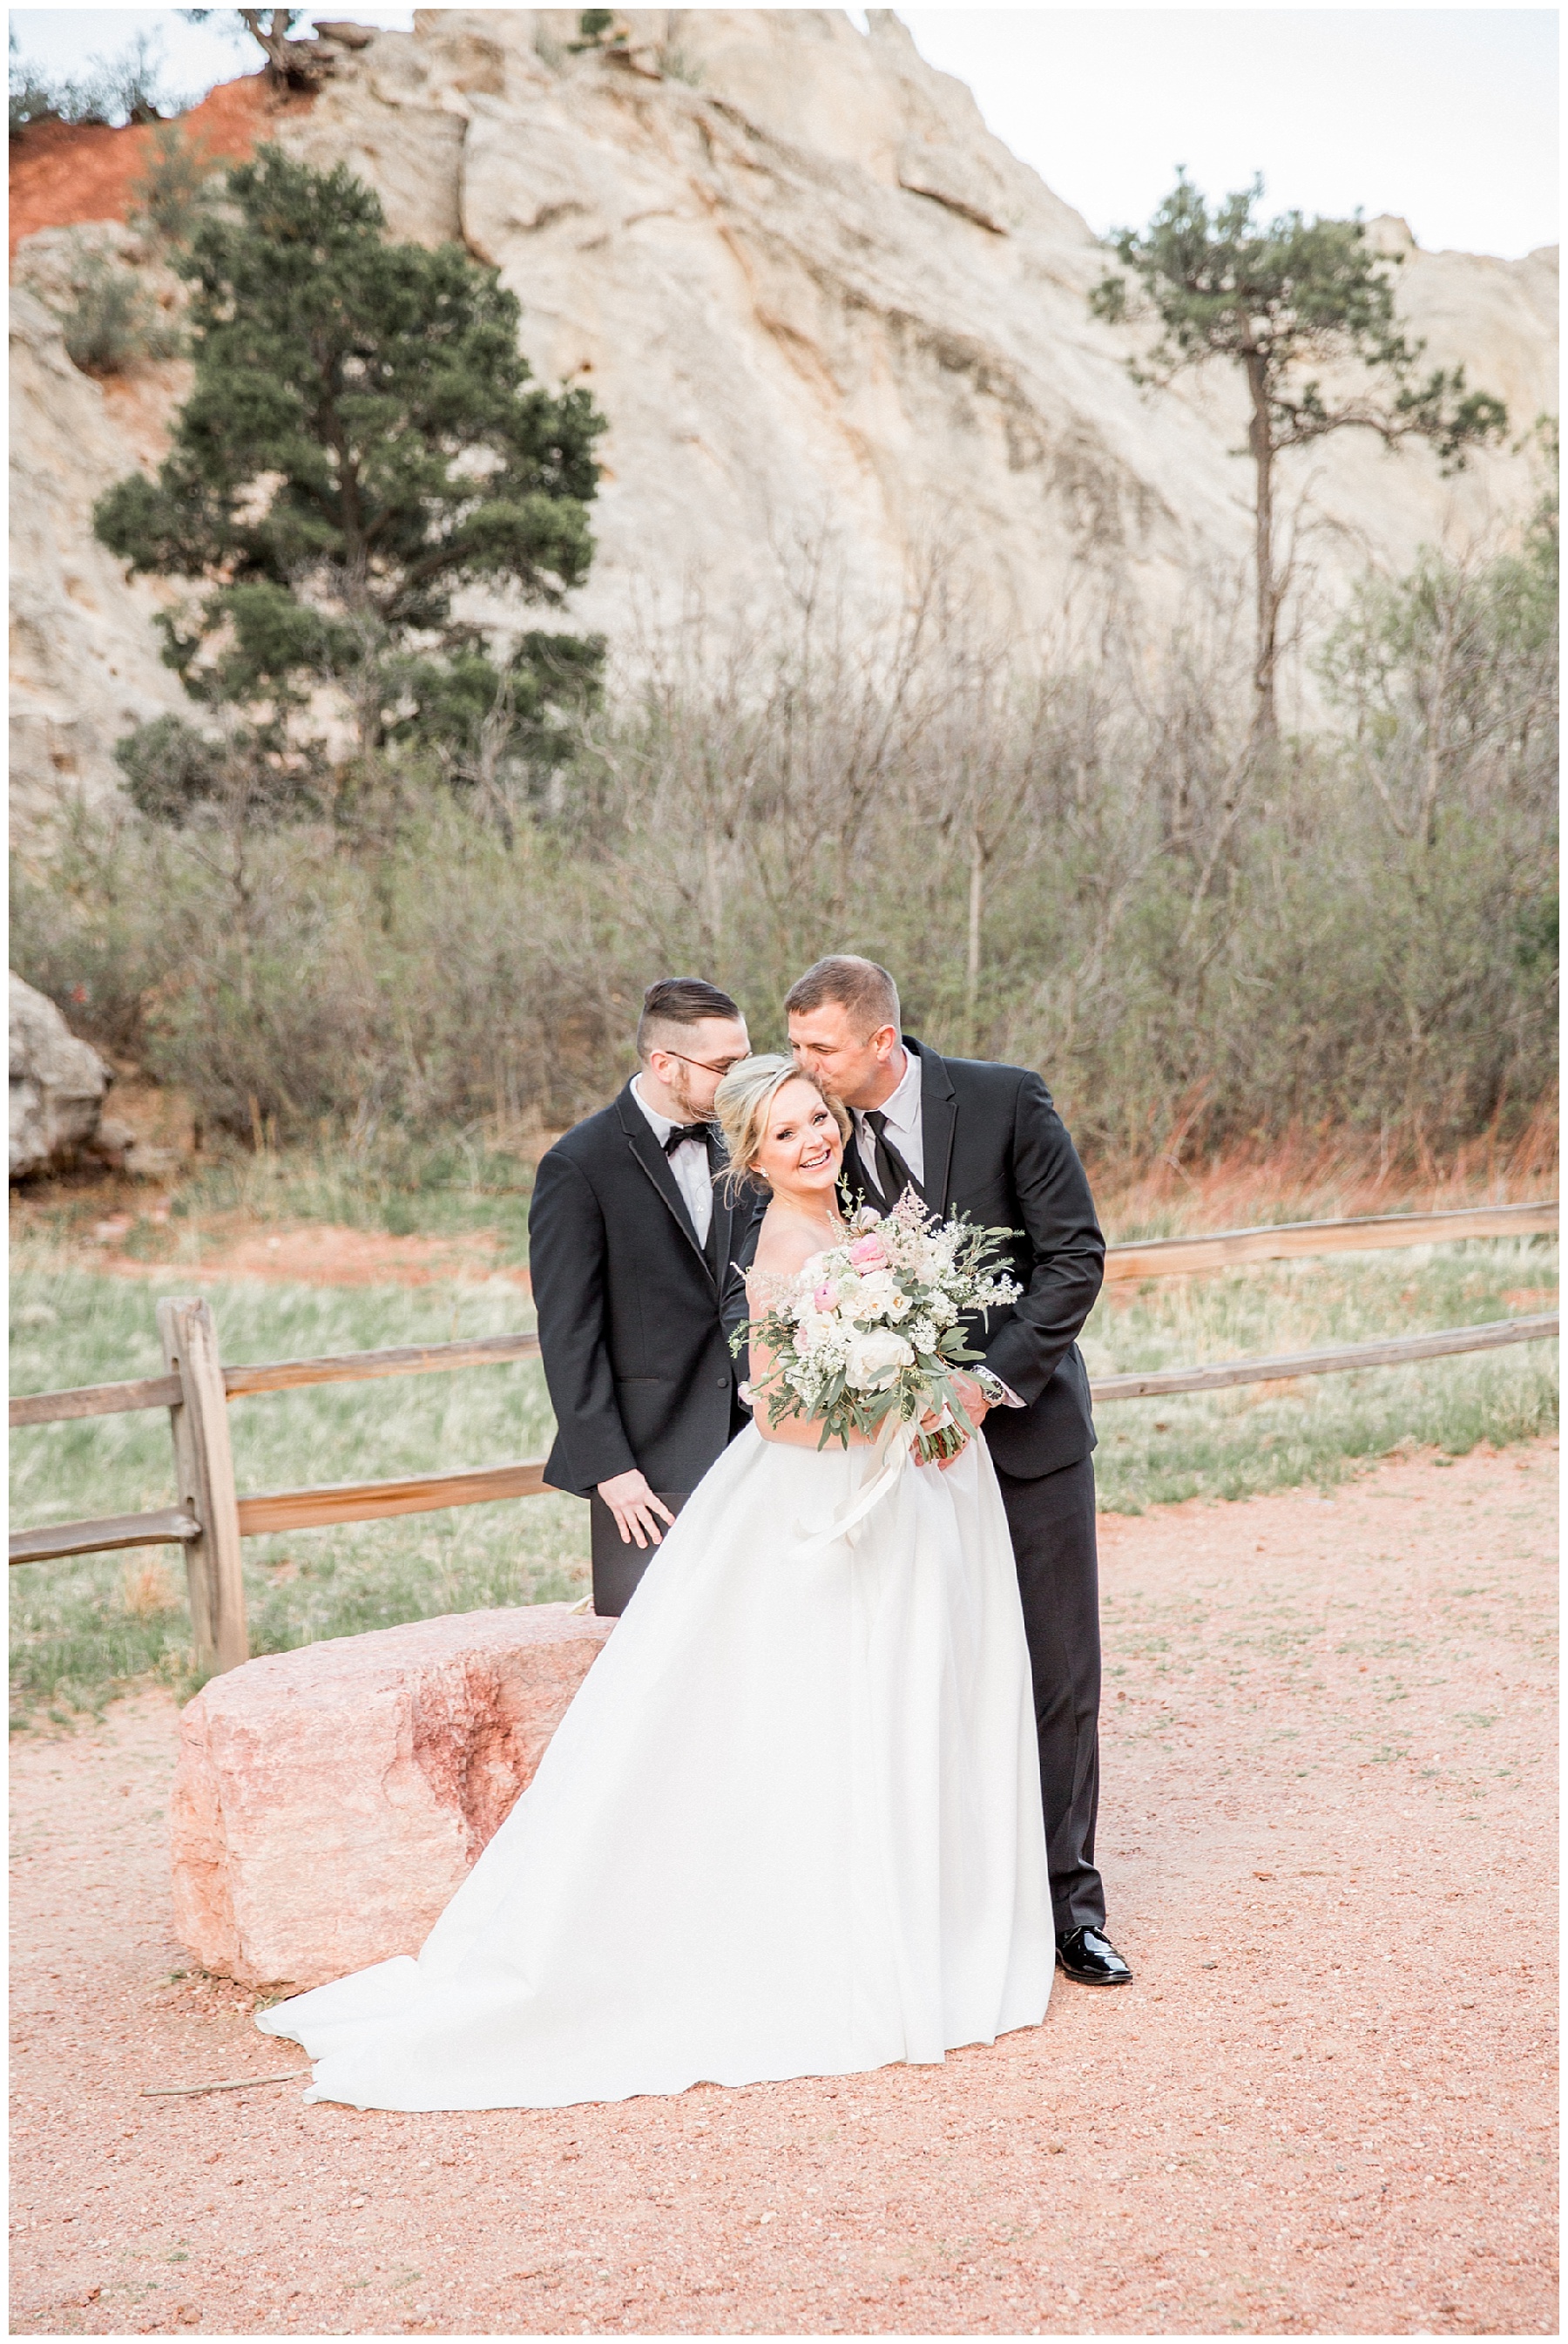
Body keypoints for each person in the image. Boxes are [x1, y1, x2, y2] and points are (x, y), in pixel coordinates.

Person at [257, 1056, 1054, 2111]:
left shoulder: (867, 1218)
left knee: (900, 1705)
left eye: (817, 1115)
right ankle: (848, 1943)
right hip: (825, 1509)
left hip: (896, 1497)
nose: (813, 1138)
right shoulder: (782, 1243)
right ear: (753, 1157)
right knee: (830, 1718)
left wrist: (927, 1380)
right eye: (784, 1133)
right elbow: (779, 1414)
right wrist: (901, 1403)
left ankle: (920, 1921)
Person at [786, 955, 1131, 1988]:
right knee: (923, 1675)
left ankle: (1071, 1908)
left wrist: (985, 1386)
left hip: (1024, 1436)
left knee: (1057, 1671)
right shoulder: (813, 1141)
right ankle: (952, 1904)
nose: (802, 1066)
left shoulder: (1004, 1098)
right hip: (887, 1458)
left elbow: (1075, 1257)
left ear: (879, 1041)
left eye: (819, 1047)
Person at [526, 977, 758, 1616]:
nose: (741, 1082)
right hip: (649, 1463)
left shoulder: (744, 1144)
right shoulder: (578, 1165)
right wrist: (611, 1471)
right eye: (725, 1067)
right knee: (661, 1644)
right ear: (664, 1064)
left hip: (755, 1441)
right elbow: (569, 1333)